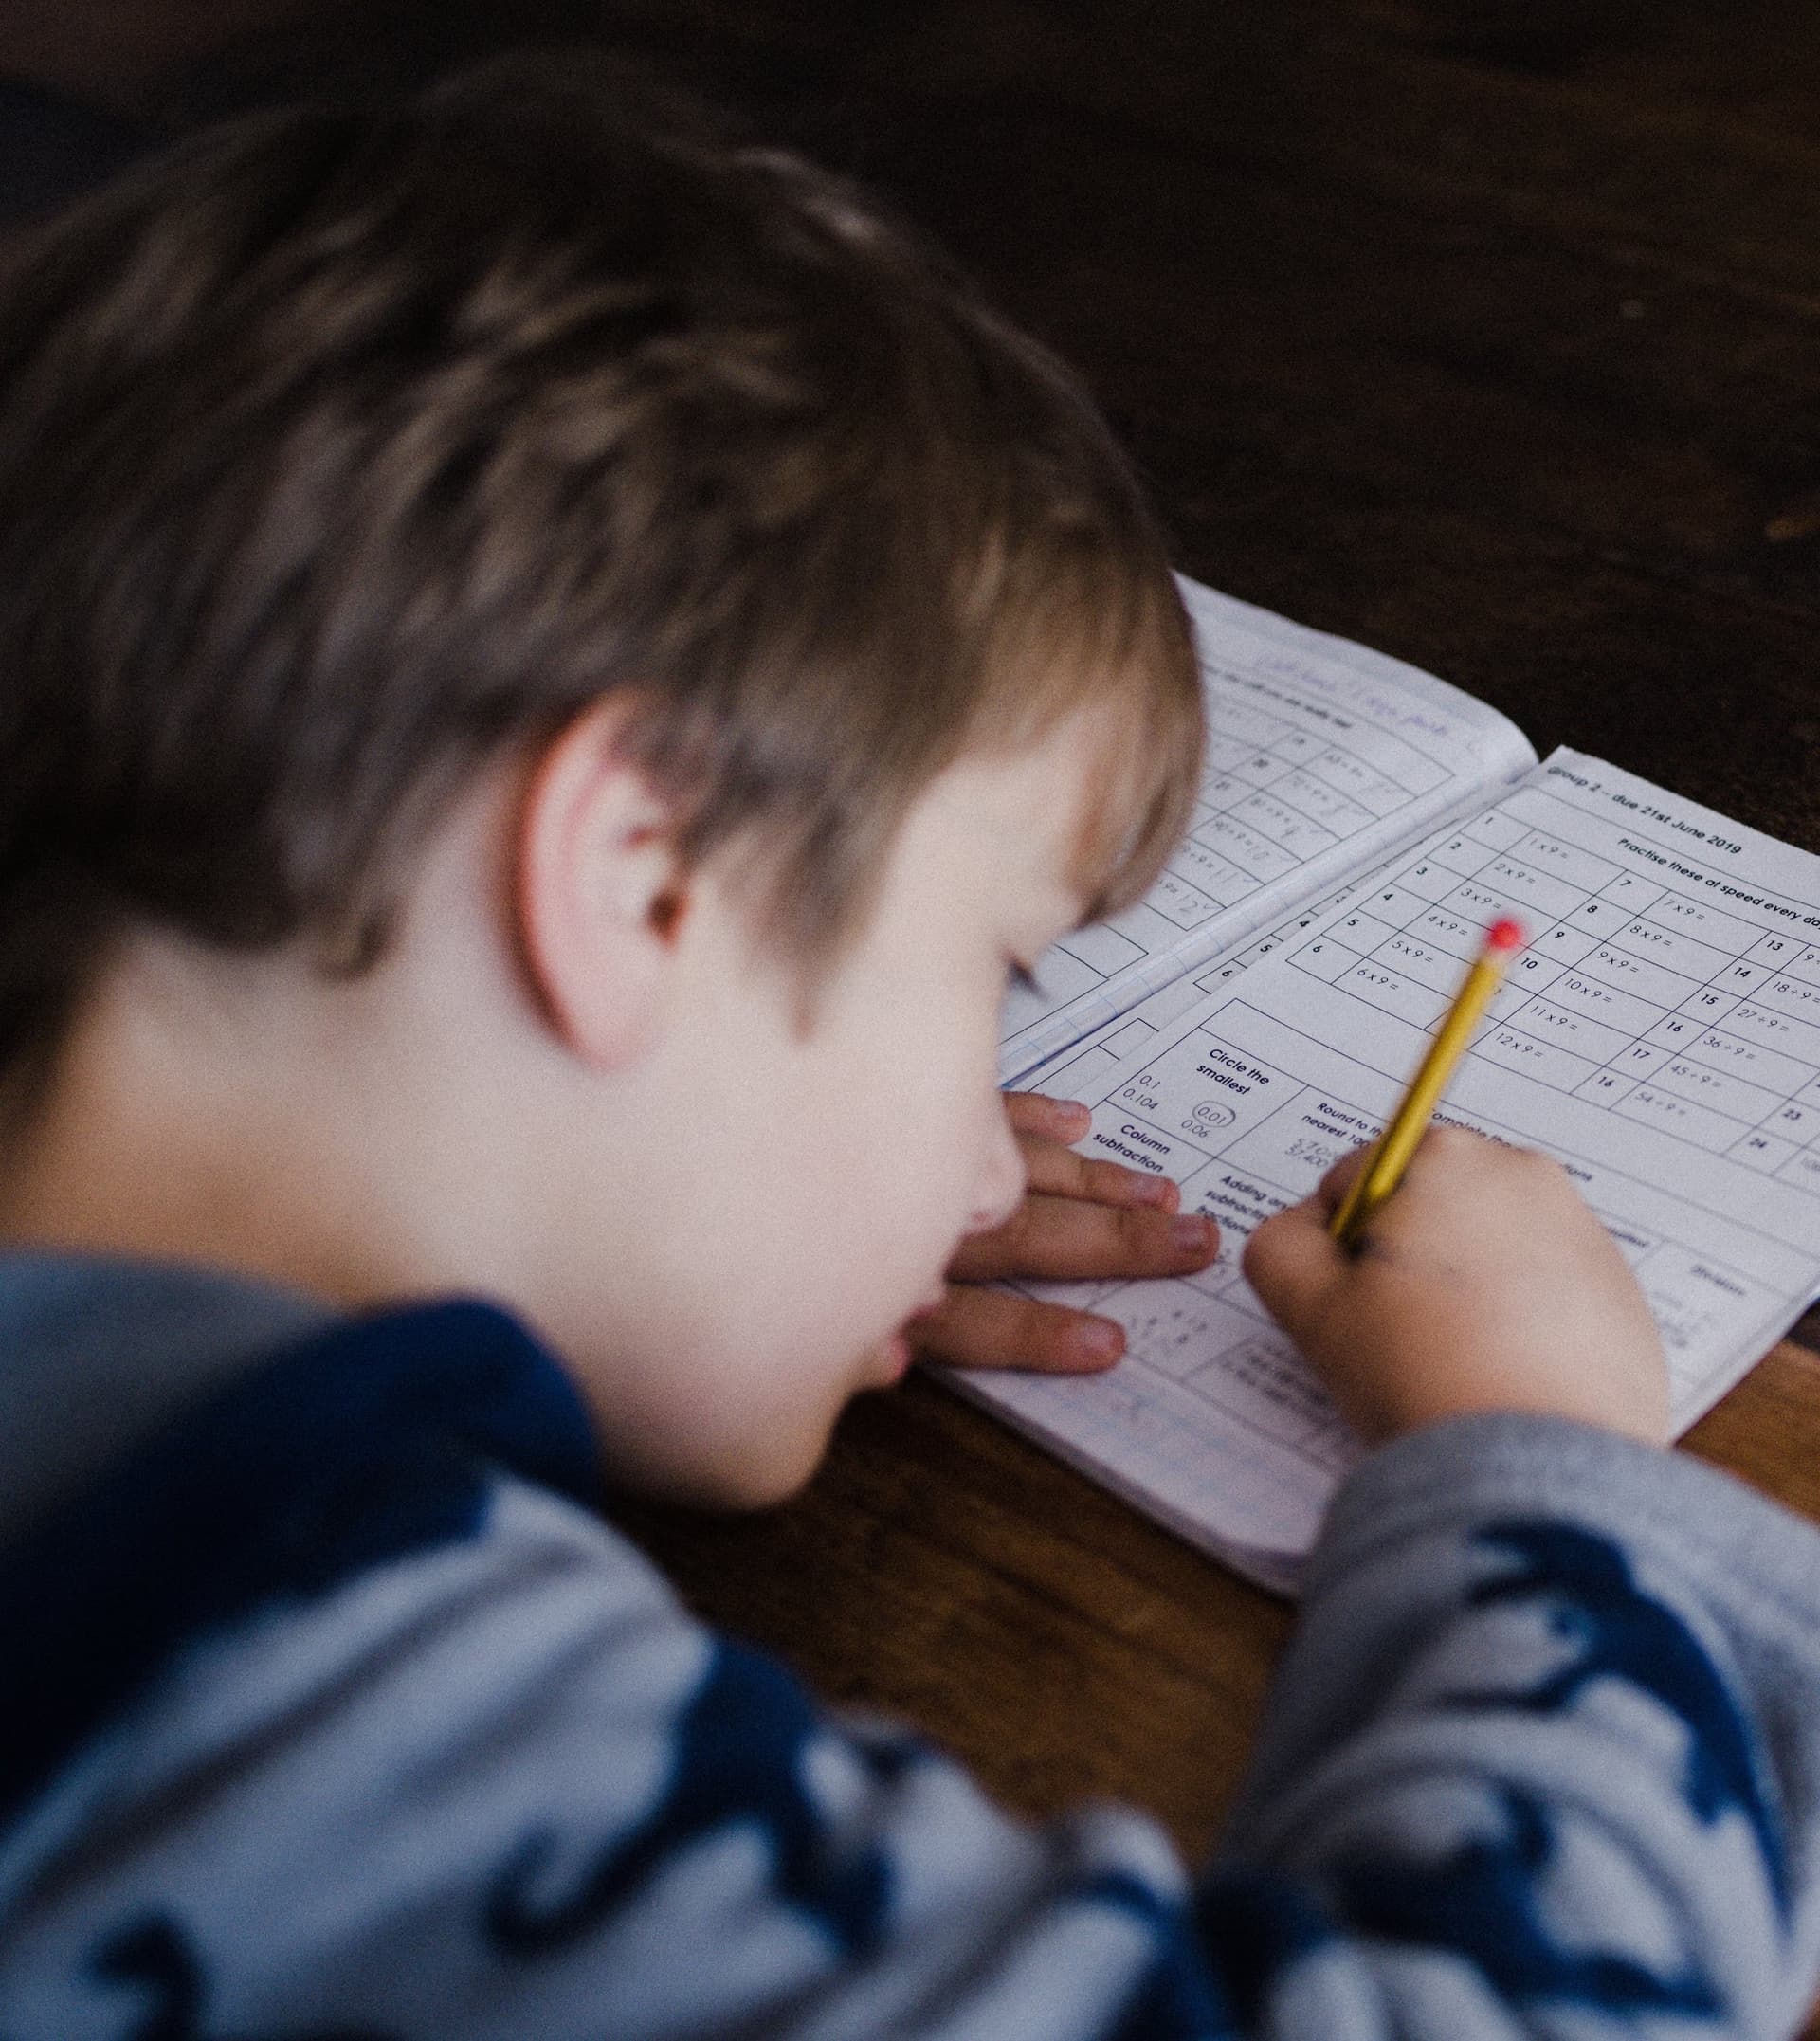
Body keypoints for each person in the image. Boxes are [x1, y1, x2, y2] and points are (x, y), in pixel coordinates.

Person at [1, 56, 1818, 2041]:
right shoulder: (300, 1703)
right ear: (644, 880)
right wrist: (1533, 1460)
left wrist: (666, 1250)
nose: (983, 1162)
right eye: (1000, 975)